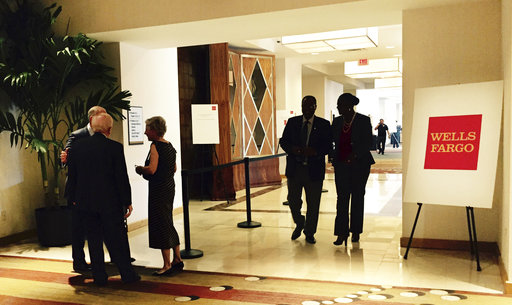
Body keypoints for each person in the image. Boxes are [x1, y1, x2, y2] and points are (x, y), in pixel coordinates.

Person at [67, 113, 140, 285]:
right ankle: (127, 275)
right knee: (117, 240)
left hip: (86, 201)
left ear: (92, 127)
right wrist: (127, 201)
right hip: (110, 202)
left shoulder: (77, 148)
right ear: (109, 129)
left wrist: (73, 198)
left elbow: (73, 176)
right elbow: (121, 177)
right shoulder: (114, 148)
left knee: (94, 240)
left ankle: (99, 275)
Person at [279, 96, 331, 244]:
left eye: (309, 106)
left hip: (314, 170)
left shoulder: (323, 124)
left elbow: (328, 146)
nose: (306, 109)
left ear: (315, 107)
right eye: (304, 106)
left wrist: (314, 152)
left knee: (313, 204)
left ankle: (309, 232)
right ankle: (300, 222)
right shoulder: (293, 122)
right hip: (295, 169)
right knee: (293, 200)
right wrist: (292, 149)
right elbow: (283, 141)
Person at [135, 116, 183, 275]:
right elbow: (174, 168)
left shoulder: (155, 146)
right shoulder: (169, 146)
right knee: (168, 220)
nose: (145, 132)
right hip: (169, 187)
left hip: (158, 189)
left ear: (154, 130)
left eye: (147, 129)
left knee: (161, 223)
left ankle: (166, 264)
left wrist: (141, 169)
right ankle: (177, 258)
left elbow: (152, 169)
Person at [61, 105, 106, 272]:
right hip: (78, 190)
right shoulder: (77, 135)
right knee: (78, 229)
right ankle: (78, 262)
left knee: (97, 228)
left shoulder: (104, 133)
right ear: (92, 119)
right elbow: (65, 159)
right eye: (102, 116)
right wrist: (64, 159)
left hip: (97, 190)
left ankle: (102, 261)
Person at [332, 93, 375, 246]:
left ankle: (355, 231)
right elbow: (332, 141)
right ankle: (341, 233)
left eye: (340, 105)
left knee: (357, 197)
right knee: (342, 198)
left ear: (349, 106)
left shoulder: (363, 120)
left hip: (360, 165)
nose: (338, 108)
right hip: (342, 166)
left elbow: (368, 142)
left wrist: (355, 155)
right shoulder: (337, 122)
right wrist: (333, 157)